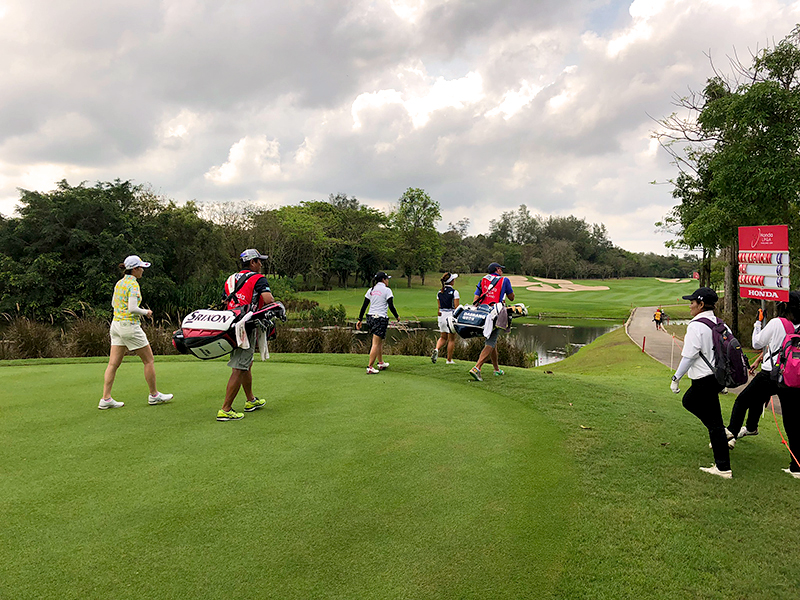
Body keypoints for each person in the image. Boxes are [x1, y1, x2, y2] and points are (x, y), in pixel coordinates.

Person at [729, 293, 800, 480]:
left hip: (771, 374)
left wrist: (758, 323)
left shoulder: (777, 323)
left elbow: (757, 342)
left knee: (742, 400)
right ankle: (796, 467)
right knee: (791, 422)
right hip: (792, 377)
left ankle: (731, 435)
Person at [669, 287, 734, 479]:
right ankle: (720, 434)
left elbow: (689, 356)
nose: (690, 306)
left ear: (701, 304)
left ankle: (723, 468)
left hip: (704, 379)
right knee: (689, 401)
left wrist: (676, 378)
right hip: (717, 378)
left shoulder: (696, 326)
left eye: (692, 303)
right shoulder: (720, 323)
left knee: (713, 421)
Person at [99, 255, 173, 409]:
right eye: (141, 268)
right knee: (149, 360)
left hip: (116, 325)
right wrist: (146, 312)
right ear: (134, 269)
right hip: (129, 326)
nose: (143, 271)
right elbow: (132, 308)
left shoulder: (119, 283)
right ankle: (154, 395)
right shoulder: (133, 285)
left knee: (113, 364)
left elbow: (114, 303)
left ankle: (105, 398)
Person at [217, 249, 275, 422]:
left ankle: (250, 400)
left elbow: (224, 300)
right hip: (246, 326)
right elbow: (268, 299)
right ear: (252, 263)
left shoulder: (230, 279)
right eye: (259, 261)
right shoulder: (258, 278)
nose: (261, 264)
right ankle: (225, 409)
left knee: (246, 364)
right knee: (240, 366)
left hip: (230, 324)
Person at [468, 262, 514, 382]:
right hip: (495, 314)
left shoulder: (483, 280)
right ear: (497, 269)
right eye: (501, 269)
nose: (502, 272)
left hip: (482, 314)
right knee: (491, 341)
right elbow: (511, 297)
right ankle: (476, 368)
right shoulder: (504, 280)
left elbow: (476, 299)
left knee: (493, 343)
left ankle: (496, 369)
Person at [356, 271, 400, 374]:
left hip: (370, 318)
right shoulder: (387, 290)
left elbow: (364, 306)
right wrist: (397, 316)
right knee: (375, 343)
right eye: (387, 279)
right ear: (383, 280)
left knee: (379, 340)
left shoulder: (371, 290)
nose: (388, 281)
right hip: (380, 319)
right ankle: (370, 366)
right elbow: (391, 305)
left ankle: (380, 362)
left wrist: (359, 319)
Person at [432, 273, 460, 365]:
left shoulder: (439, 292)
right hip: (450, 316)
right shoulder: (455, 292)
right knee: (451, 339)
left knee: (443, 337)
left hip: (441, 316)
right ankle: (449, 360)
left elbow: (439, 307)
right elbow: (456, 307)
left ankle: (436, 349)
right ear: (451, 281)